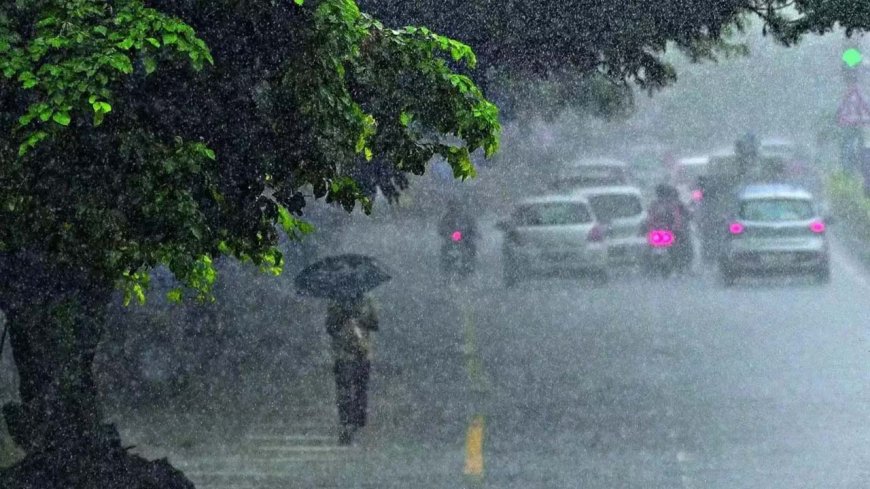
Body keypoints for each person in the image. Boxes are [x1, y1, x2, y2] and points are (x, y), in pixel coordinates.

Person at [325, 293, 379, 445]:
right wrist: (342, 316)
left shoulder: (368, 299)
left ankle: (357, 425)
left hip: (363, 353)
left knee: (360, 391)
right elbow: (330, 327)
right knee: (344, 391)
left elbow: (375, 323)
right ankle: (346, 424)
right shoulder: (335, 301)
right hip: (343, 354)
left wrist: (361, 317)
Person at [647, 184, 693, 273]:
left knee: (682, 245)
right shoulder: (669, 205)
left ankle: (682, 265)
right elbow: (650, 219)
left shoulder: (667, 205)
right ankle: (682, 265)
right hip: (665, 233)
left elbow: (677, 218)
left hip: (667, 232)